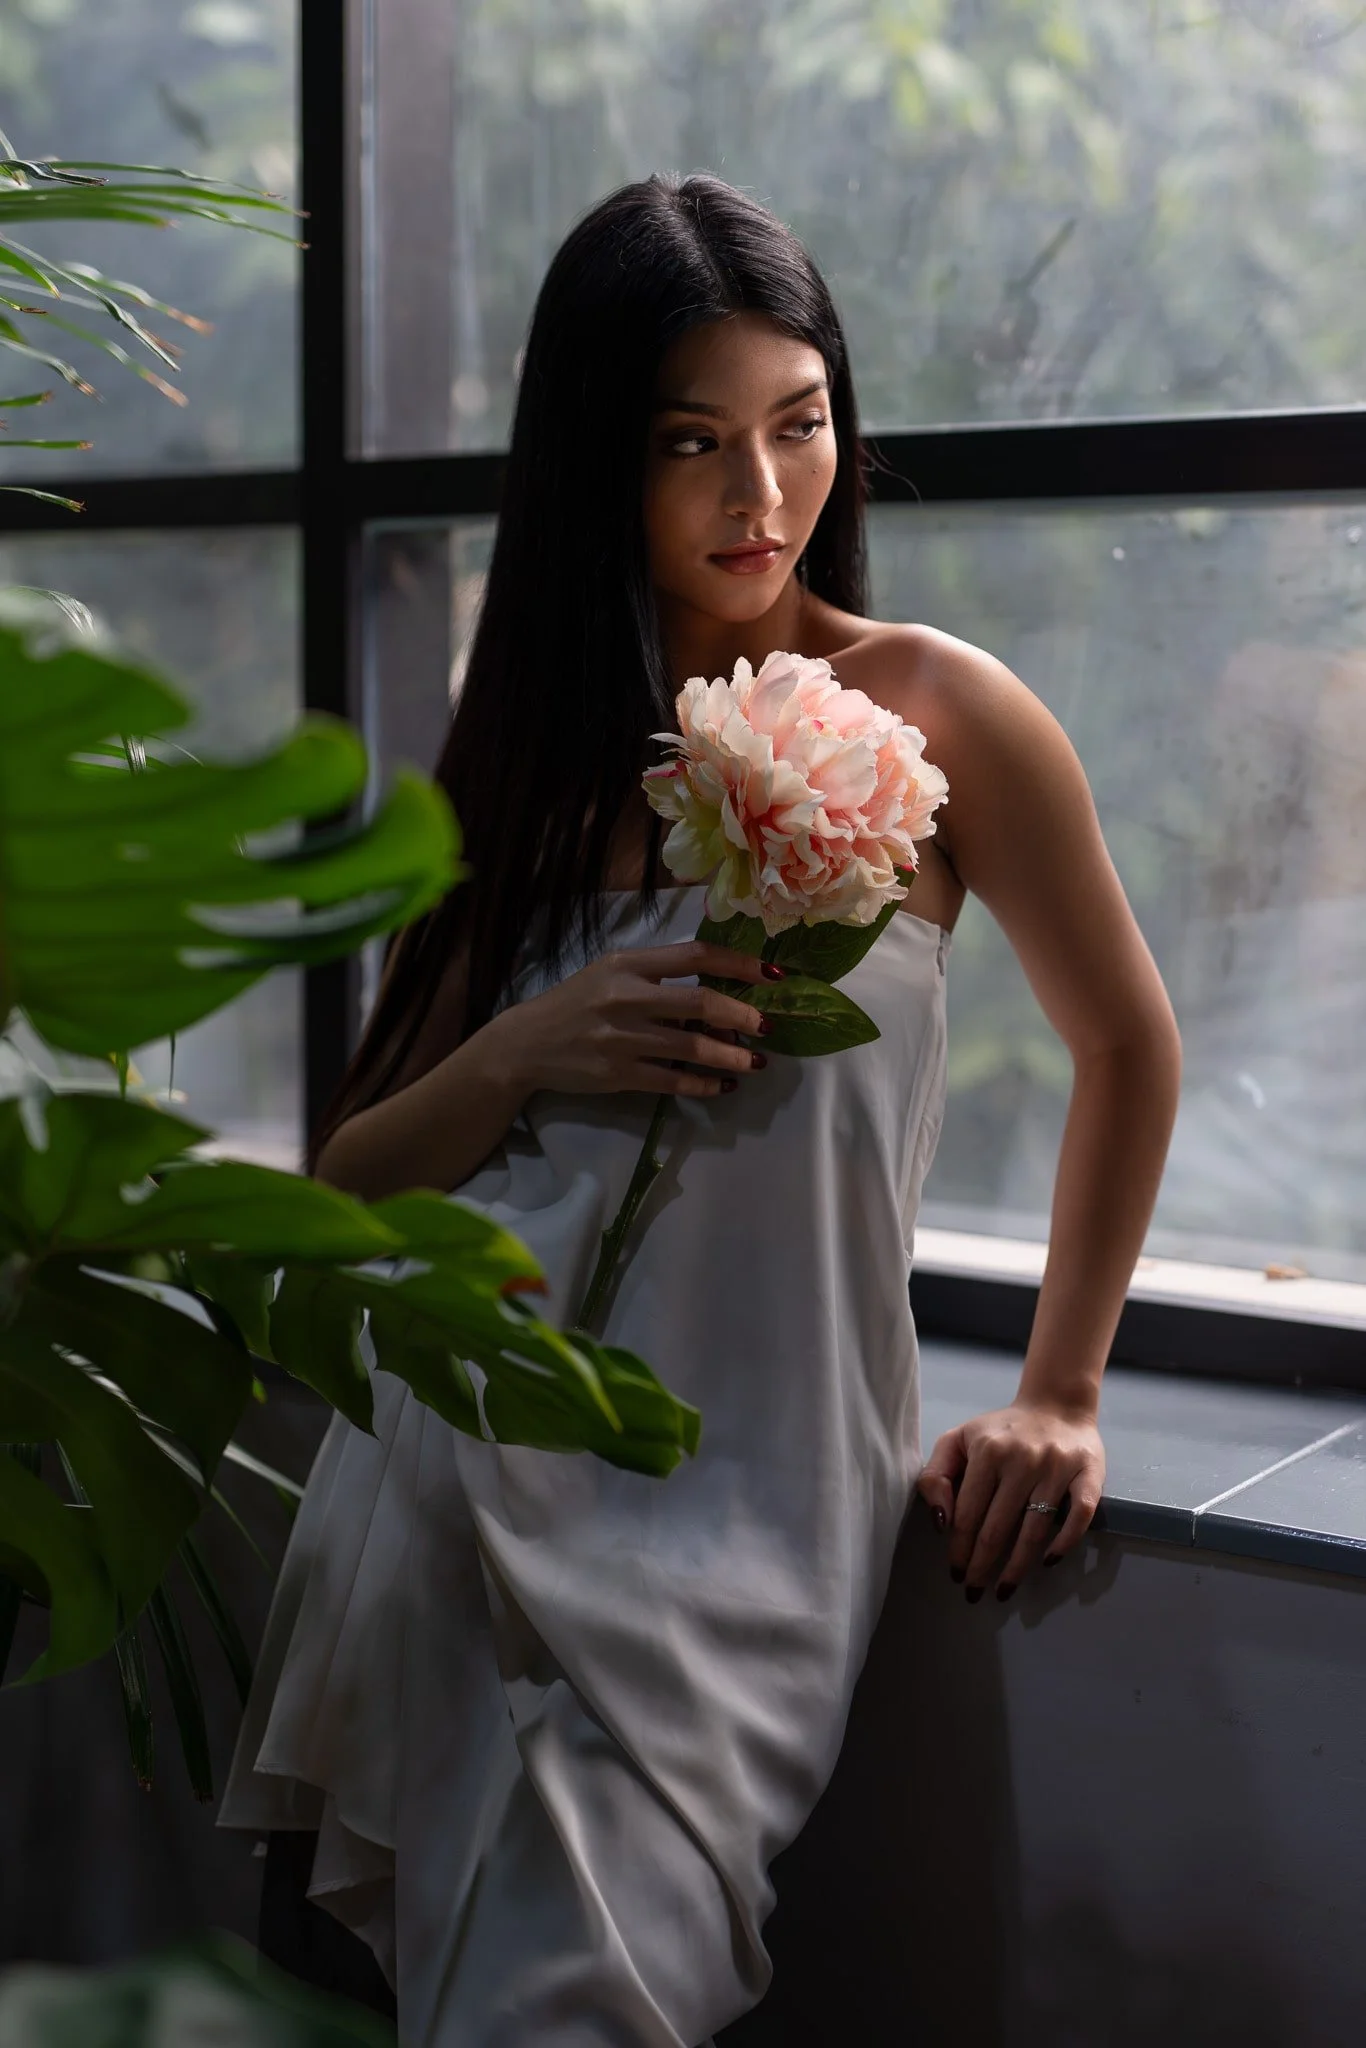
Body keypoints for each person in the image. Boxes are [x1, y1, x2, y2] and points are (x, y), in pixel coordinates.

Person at [218, 172, 1182, 2046]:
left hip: (746, 1514)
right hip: (453, 1492)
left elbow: (1127, 1044)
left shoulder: (931, 712)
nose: (761, 495)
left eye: (797, 426)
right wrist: (522, 1051)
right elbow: (349, 1174)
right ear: (597, 460)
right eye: (692, 444)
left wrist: (1060, 1390)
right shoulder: (523, 760)